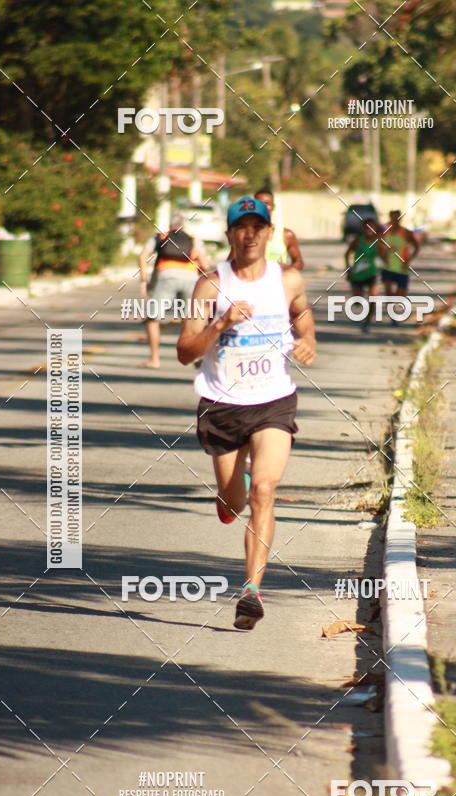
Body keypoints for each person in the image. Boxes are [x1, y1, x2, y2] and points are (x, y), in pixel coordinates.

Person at [177, 195, 316, 630]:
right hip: (222, 405)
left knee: (265, 491)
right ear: (230, 235)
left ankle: (251, 591)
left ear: (269, 233)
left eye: (258, 226)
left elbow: (302, 317)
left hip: (273, 400)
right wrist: (221, 325)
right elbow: (184, 351)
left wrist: (308, 340)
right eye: (242, 227)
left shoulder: (287, 280)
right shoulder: (210, 286)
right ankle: (230, 492)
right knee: (233, 502)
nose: (250, 233)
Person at [138, 212, 209, 368]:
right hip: (190, 279)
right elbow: (205, 265)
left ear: (170, 225)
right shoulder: (193, 239)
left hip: (166, 276)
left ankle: (154, 359)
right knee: (191, 319)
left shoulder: (160, 237)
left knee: (152, 318)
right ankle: (195, 357)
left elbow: (143, 256)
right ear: (183, 225)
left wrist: (144, 280)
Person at [344, 218, 380, 333]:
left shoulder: (377, 241)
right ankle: (358, 298)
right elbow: (347, 254)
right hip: (358, 273)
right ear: (363, 229)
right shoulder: (358, 241)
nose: (369, 230)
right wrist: (348, 269)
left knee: (373, 298)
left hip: (371, 273)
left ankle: (367, 322)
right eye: (367, 228)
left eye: (372, 227)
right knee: (358, 300)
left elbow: (384, 254)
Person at [253, 188, 304, 270]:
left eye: (267, 204)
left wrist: (286, 269)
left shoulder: (286, 234)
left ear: (273, 207)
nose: (263, 207)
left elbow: (298, 261)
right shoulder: (245, 234)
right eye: (259, 204)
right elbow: (231, 262)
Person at [380, 210, 419, 298]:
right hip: (387, 267)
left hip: (402, 267)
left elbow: (416, 246)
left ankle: (395, 302)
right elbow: (379, 247)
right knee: (388, 293)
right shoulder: (384, 232)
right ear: (390, 218)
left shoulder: (406, 233)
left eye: (397, 218)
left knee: (400, 296)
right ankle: (390, 309)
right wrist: (383, 257)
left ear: (400, 219)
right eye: (392, 218)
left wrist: (409, 258)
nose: (394, 220)